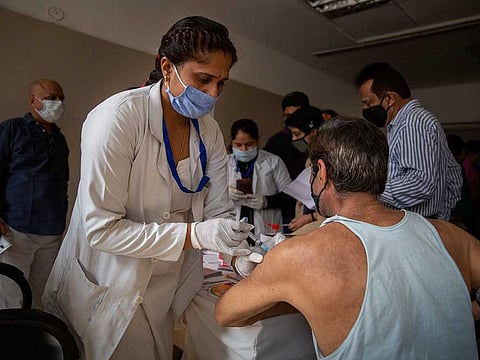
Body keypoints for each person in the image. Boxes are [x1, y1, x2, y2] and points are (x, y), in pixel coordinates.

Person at [42, 16, 253, 360]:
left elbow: (217, 211)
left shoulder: (209, 132)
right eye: (203, 79)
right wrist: (196, 235)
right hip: (109, 281)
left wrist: (237, 253)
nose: (213, 94)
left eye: (221, 83)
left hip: (165, 282)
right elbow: (101, 230)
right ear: (167, 67)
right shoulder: (117, 118)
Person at [215, 116, 480, 359]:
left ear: (322, 171)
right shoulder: (451, 236)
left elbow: (226, 313)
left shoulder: (299, 256)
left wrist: (294, 293)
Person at [354, 62, 462, 220]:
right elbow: (453, 172)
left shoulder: (412, 123)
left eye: (368, 103)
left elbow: (420, 183)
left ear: (389, 98)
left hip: (418, 223)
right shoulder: (400, 124)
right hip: (422, 221)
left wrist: (370, 189)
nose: (365, 110)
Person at [0, 79, 69, 309]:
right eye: (51, 98)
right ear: (33, 101)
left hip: (51, 232)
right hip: (16, 229)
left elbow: (62, 183)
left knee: (40, 297)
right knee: (10, 296)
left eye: (61, 98)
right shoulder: (13, 129)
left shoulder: (60, 141)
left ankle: (30, 342)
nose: (57, 103)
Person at [227, 118, 291, 236]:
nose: (243, 149)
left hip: (266, 228)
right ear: (231, 142)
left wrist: (267, 201)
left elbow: (290, 197)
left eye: (249, 144)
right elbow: (209, 195)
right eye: (238, 145)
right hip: (233, 225)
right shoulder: (224, 163)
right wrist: (225, 193)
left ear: (257, 141)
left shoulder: (273, 162)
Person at [264, 91, 310, 230]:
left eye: (296, 116)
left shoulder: (316, 146)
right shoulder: (276, 142)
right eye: (288, 116)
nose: (295, 139)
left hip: (309, 206)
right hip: (285, 205)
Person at [284, 106, 333, 231]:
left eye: (297, 134)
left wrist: (310, 217)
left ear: (313, 132)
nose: (294, 139)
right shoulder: (310, 158)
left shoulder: (329, 158)